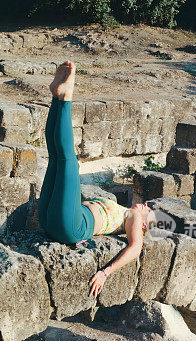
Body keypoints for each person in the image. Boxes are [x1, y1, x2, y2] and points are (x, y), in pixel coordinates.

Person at [38, 60, 155, 298]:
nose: (145, 206)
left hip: (72, 226)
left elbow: (136, 248)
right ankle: (57, 97)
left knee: (68, 160)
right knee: (56, 158)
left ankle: (66, 97)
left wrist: (105, 272)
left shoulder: (132, 219)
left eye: (148, 211)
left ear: (143, 225)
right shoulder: (127, 211)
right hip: (54, 222)